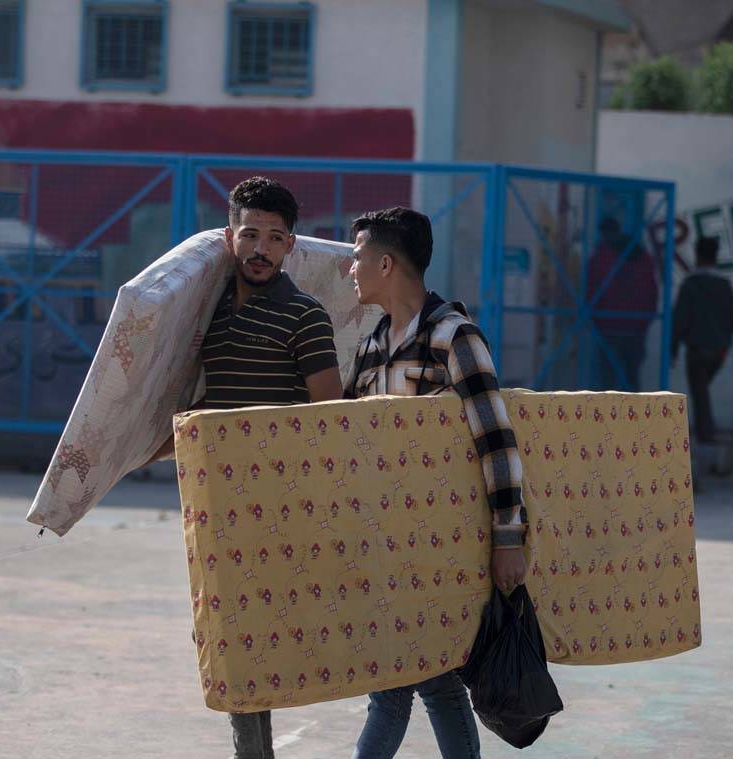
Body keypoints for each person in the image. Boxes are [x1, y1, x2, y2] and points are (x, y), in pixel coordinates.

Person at [153, 176, 343, 759]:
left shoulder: (305, 316)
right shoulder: (205, 309)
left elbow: (328, 416)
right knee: (222, 629)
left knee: (247, 631)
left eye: (275, 238)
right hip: (214, 497)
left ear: (290, 246)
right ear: (231, 237)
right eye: (250, 234)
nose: (261, 248)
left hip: (274, 498)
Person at [344, 207, 527, 759]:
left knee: (400, 685)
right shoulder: (372, 347)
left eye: (356, 258)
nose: (350, 270)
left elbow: (495, 438)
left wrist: (508, 536)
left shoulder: (454, 337)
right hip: (386, 549)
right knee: (433, 681)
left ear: (384, 263)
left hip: (446, 547)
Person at [670, 236, 733, 442]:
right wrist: (725, 345)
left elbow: (679, 319)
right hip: (718, 351)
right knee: (701, 390)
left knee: (699, 392)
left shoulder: (690, 284)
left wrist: (672, 349)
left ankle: (706, 434)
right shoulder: (724, 285)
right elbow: (731, 320)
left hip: (697, 349)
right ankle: (705, 433)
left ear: (697, 256)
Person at [587, 217, 658, 391]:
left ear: (602, 233)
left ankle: (608, 417)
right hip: (636, 328)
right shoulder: (643, 256)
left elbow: (592, 290)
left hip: (609, 325)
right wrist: (645, 321)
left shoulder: (601, 256)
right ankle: (633, 416)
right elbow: (652, 291)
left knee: (608, 380)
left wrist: (595, 320)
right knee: (632, 378)